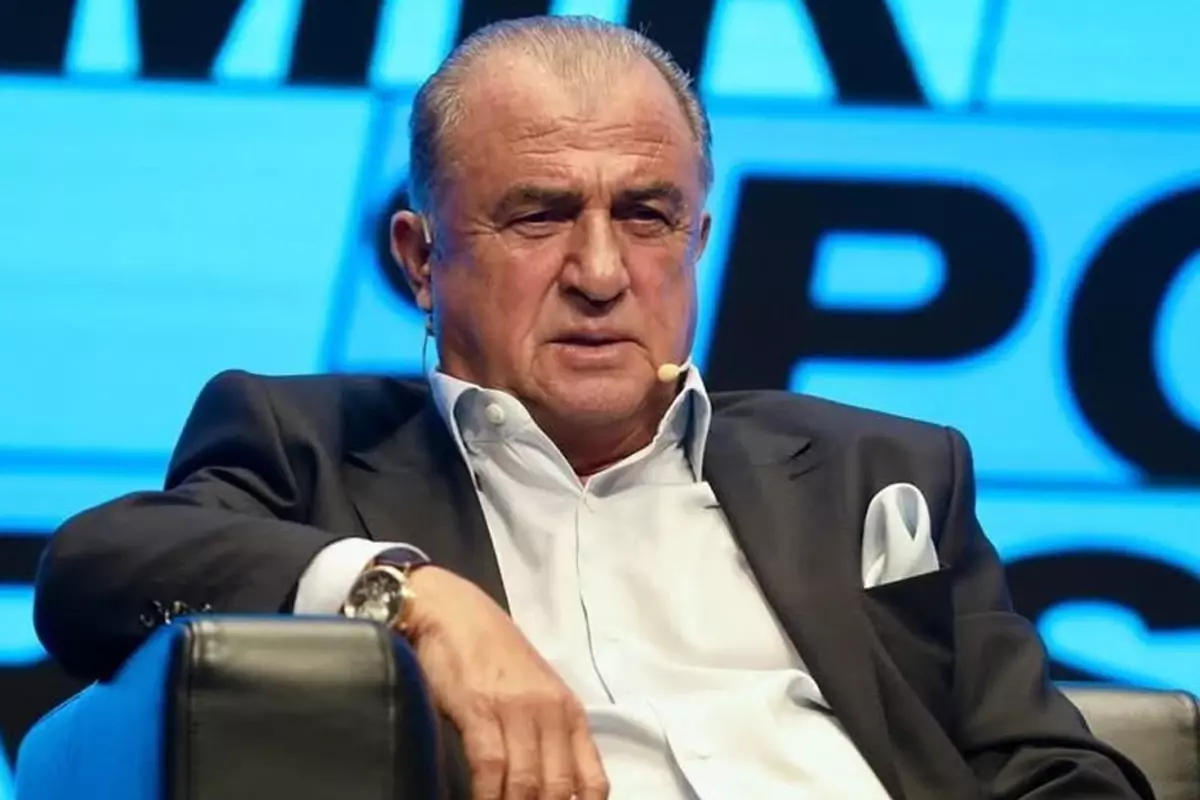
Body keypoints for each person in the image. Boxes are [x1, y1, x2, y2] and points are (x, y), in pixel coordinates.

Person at [33, 14, 1153, 800]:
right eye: (540, 215)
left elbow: (1051, 765)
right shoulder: (310, 446)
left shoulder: (879, 471)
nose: (603, 272)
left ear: (699, 239)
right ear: (421, 258)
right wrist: (413, 597)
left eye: (649, 216)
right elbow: (97, 567)